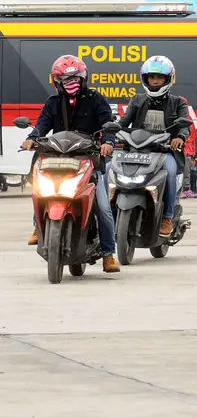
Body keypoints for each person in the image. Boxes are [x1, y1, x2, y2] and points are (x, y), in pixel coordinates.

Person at [21, 56, 121, 272]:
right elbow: (42, 125)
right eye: (65, 80)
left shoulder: (96, 99)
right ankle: (38, 226)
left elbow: (108, 125)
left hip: (90, 158)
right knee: (38, 187)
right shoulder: (53, 102)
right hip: (59, 157)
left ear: (84, 79)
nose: (70, 84)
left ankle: (108, 253)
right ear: (57, 82)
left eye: (74, 79)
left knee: (103, 207)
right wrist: (32, 137)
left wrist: (108, 142)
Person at [116, 56, 191, 237]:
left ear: (168, 79)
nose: (155, 81)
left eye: (160, 77)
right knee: (111, 169)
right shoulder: (137, 100)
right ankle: (110, 213)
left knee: (170, 172)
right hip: (136, 151)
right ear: (145, 79)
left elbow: (184, 127)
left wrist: (180, 137)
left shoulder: (178, 102)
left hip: (165, 152)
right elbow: (125, 121)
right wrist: (114, 129)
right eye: (151, 77)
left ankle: (167, 216)